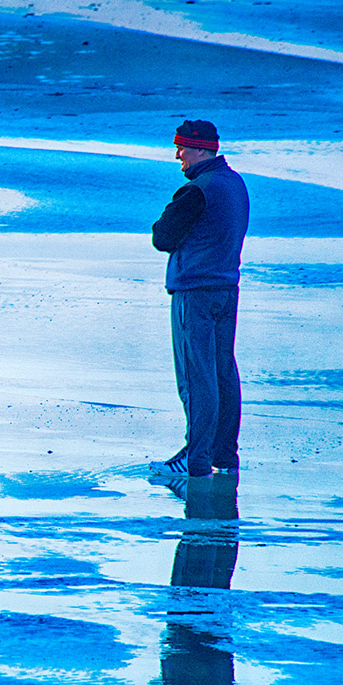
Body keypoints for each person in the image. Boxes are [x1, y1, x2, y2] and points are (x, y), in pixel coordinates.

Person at [150, 120, 249, 478]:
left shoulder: (197, 190)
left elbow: (162, 237)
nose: (178, 155)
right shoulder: (235, 184)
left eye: (182, 148)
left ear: (200, 149)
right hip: (226, 288)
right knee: (223, 371)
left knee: (196, 375)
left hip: (195, 292)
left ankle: (195, 460)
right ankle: (225, 455)